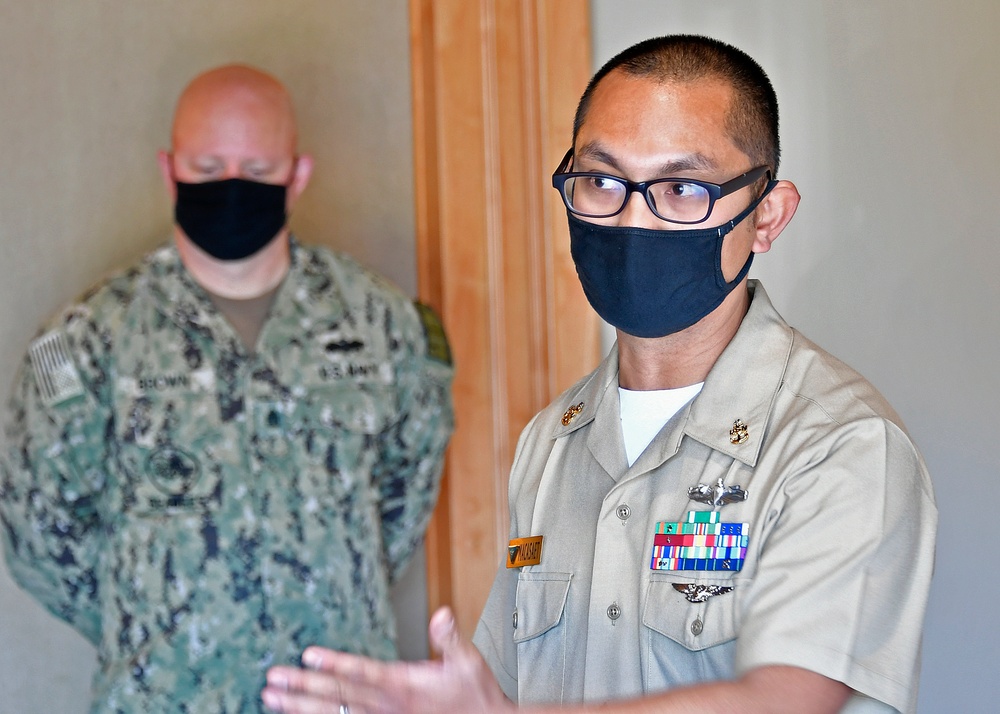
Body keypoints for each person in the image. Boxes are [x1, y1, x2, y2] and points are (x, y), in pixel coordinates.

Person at [260, 35, 936, 714]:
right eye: (603, 181)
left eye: (680, 188)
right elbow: (502, 695)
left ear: (766, 215)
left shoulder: (840, 446)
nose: (632, 218)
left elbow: (785, 700)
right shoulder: (551, 444)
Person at [0, 64, 454, 713]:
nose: (232, 187)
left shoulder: (380, 322)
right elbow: (38, 533)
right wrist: (156, 626)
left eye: (258, 171)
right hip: (162, 700)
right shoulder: (89, 339)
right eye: (208, 168)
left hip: (337, 696)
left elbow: (404, 498)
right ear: (170, 170)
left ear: (298, 175)